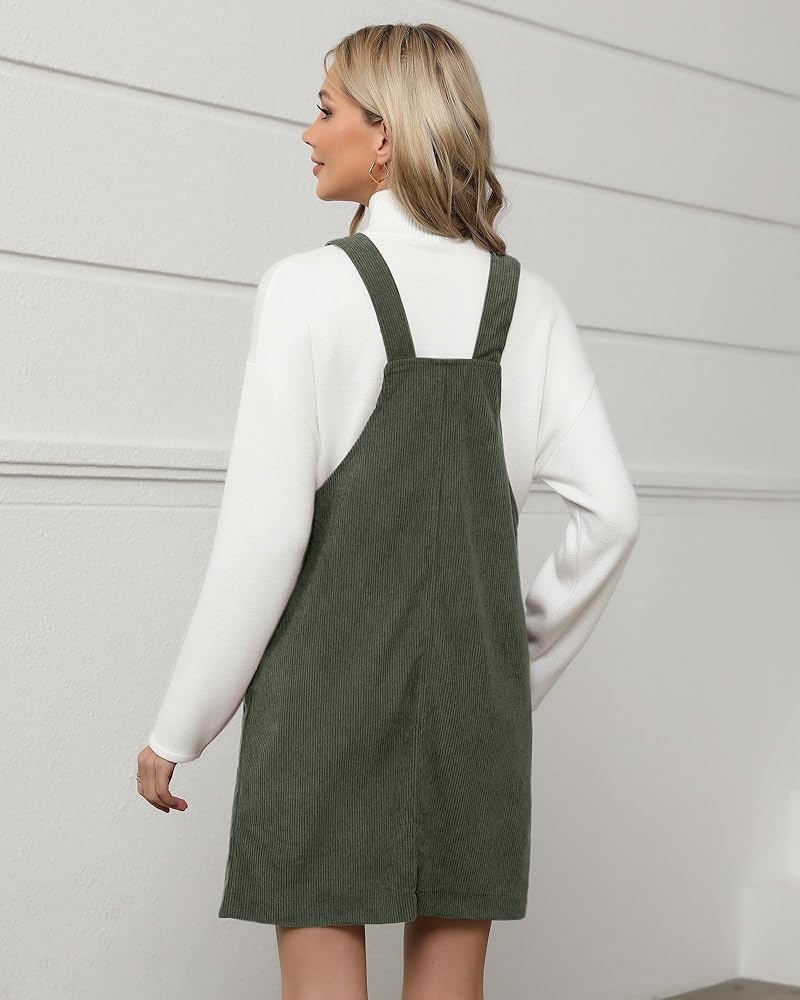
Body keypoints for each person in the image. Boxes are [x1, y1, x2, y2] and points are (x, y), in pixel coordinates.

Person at [136, 22, 639, 1000]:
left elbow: (267, 536)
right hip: (471, 710)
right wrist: (510, 668)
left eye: (324, 109)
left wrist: (179, 727)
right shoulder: (527, 302)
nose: (306, 132)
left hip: (322, 705)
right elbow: (612, 516)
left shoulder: (305, 289)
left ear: (385, 134)